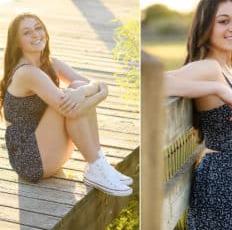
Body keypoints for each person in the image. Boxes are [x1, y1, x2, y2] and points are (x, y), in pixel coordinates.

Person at [0, 12, 133, 197]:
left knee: (76, 89)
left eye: (38, 28)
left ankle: (99, 164)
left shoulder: (50, 63)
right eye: (27, 32)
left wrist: (85, 91)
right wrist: (100, 94)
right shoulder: (27, 72)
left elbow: (89, 84)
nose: (36, 34)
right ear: (17, 42)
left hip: (50, 152)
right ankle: (96, 165)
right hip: (31, 161)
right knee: (67, 100)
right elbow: (71, 107)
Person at [165, 0, 232, 229]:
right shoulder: (208, 68)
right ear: (205, 27)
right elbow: (152, 81)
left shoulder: (229, 69)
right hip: (224, 182)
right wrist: (215, 89)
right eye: (223, 21)